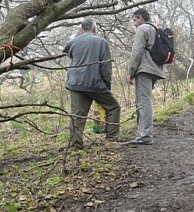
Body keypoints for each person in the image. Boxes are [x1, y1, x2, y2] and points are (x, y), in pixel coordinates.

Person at [63, 18, 121, 150]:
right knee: (113, 107)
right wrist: (107, 86)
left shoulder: (73, 41)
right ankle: (111, 140)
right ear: (94, 28)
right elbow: (105, 67)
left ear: (81, 29)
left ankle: (75, 147)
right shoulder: (101, 42)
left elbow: (67, 52)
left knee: (77, 115)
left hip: (75, 83)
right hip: (94, 83)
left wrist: (77, 36)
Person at [127, 8, 165, 145]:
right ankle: (142, 133)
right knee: (144, 100)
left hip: (144, 69)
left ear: (141, 17)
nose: (134, 22)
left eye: (135, 19)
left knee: (143, 102)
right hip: (155, 69)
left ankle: (145, 135)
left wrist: (130, 71)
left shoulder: (142, 29)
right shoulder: (155, 28)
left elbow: (136, 51)